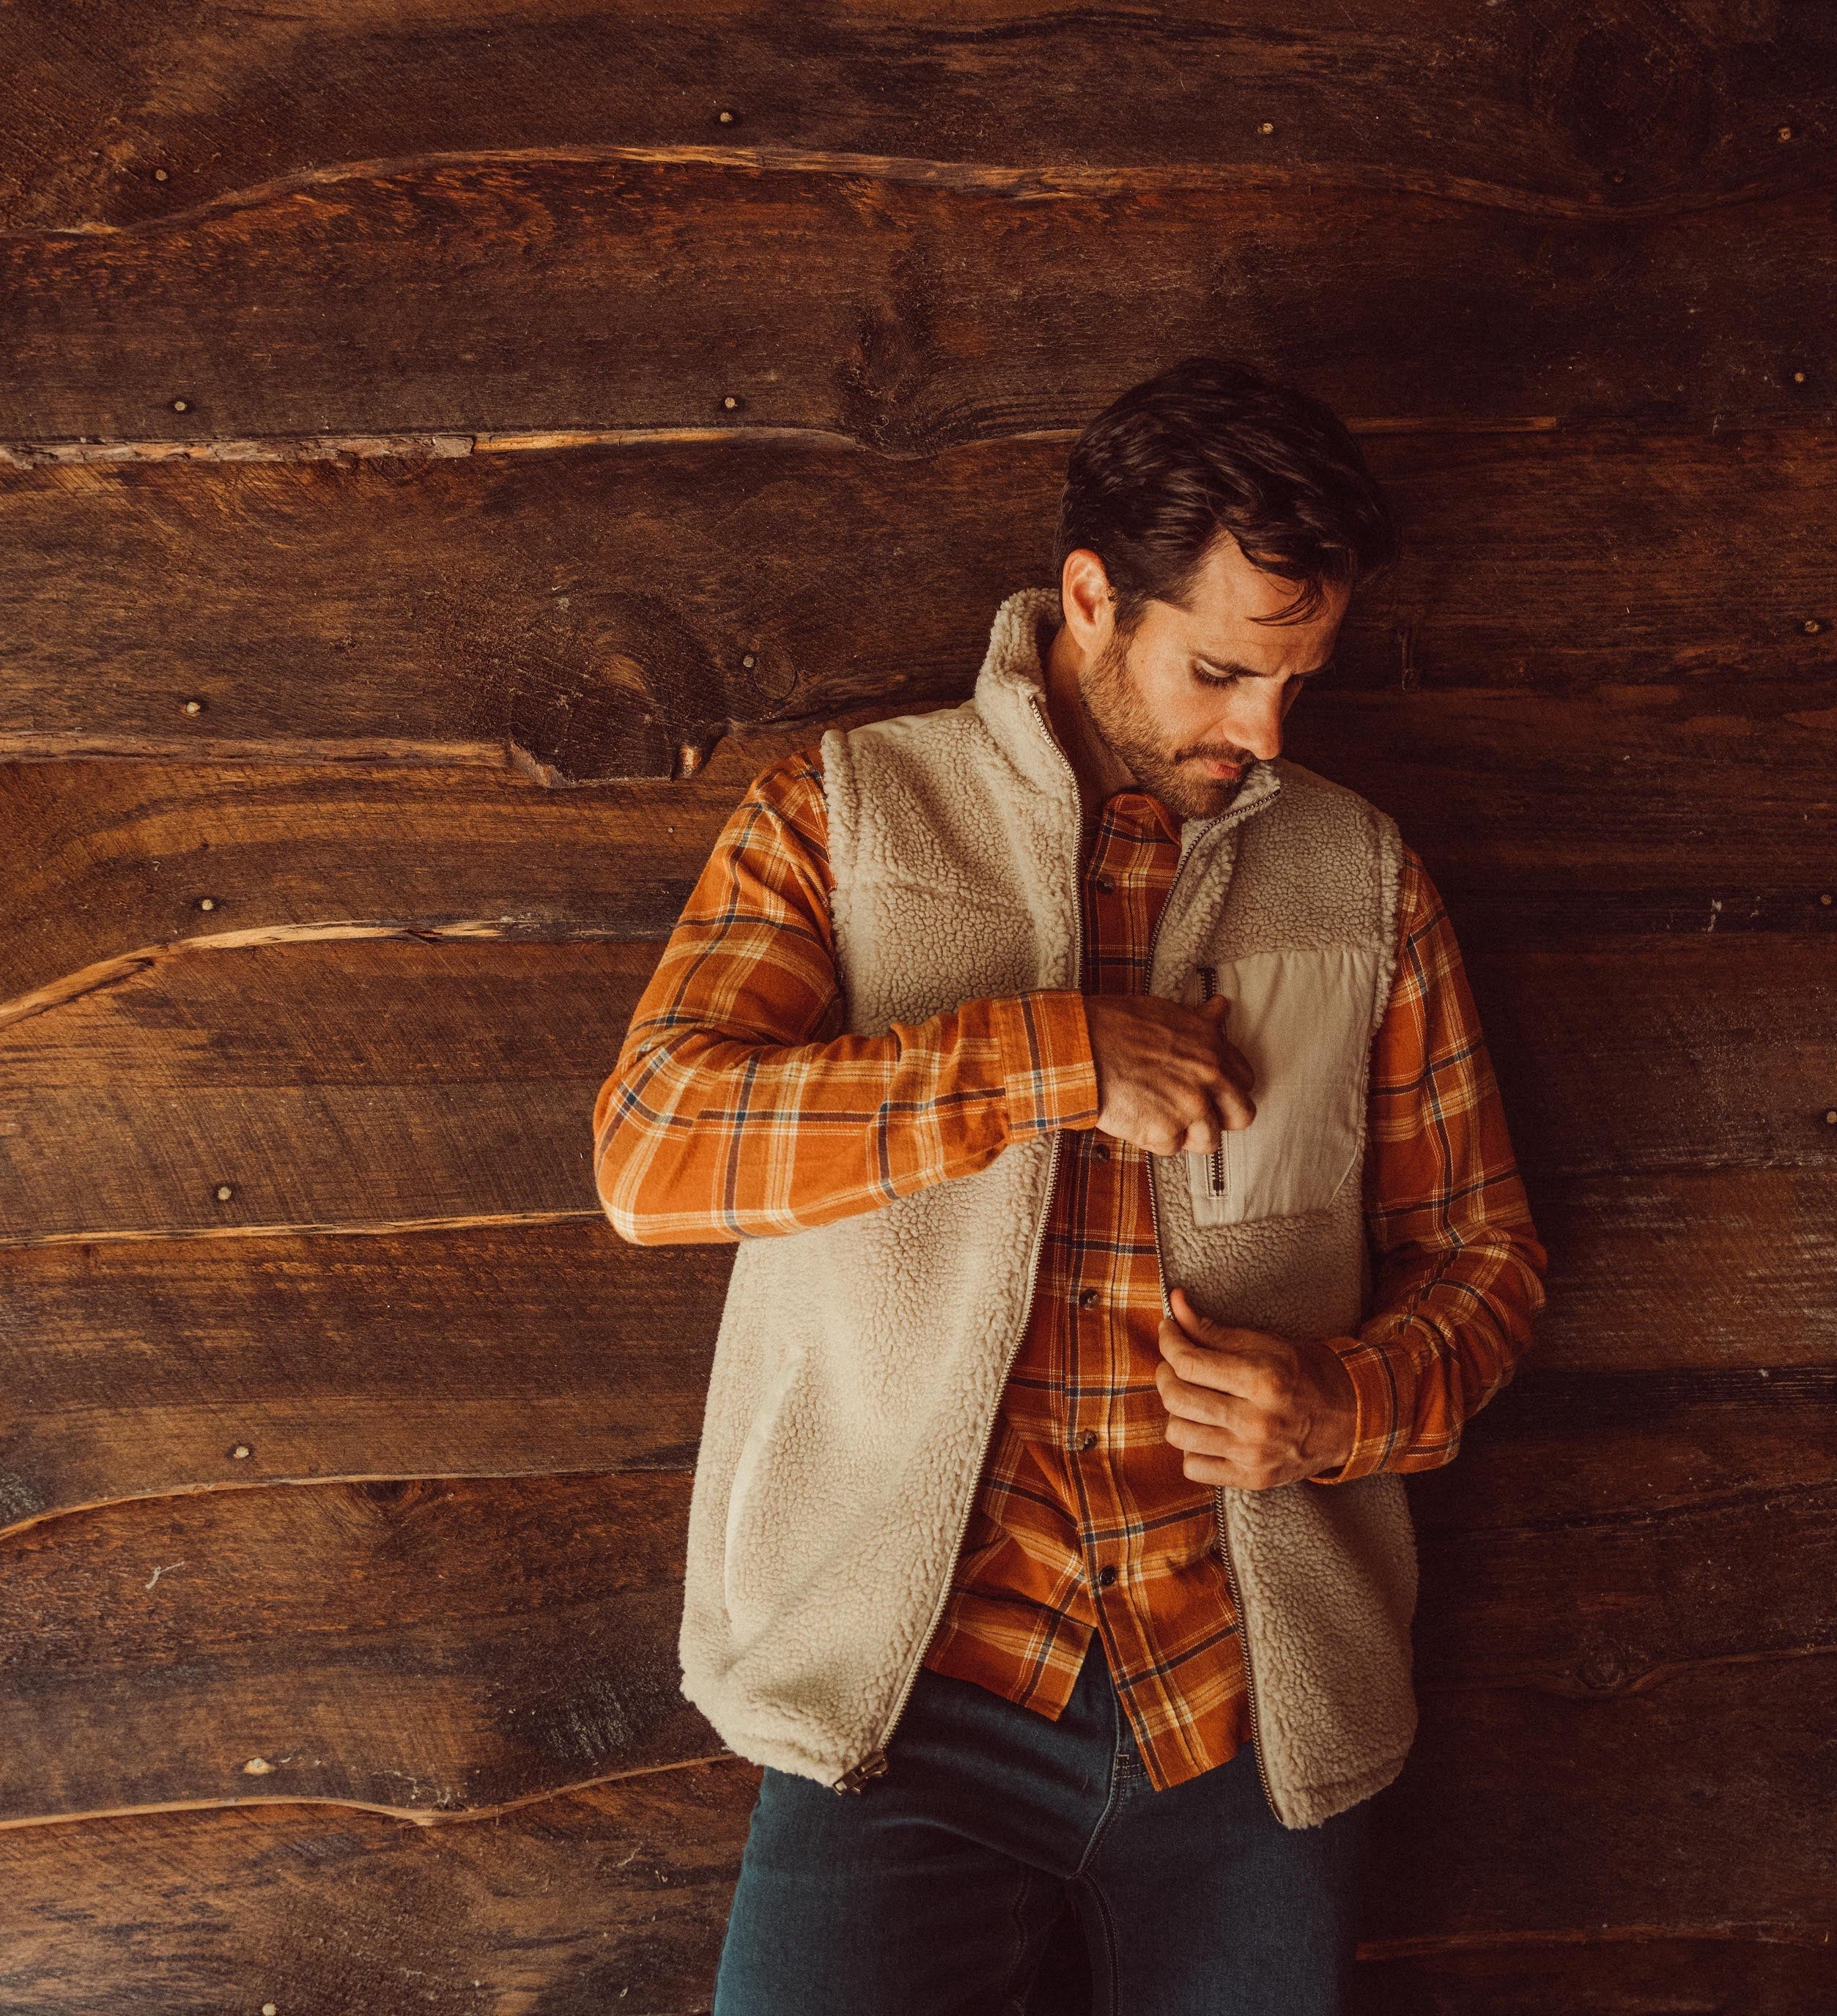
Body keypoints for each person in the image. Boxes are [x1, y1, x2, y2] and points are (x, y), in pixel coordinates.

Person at [591, 355, 1548, 2015]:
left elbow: (1488, 1256)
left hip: (1248, 1717)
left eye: (1298, 685)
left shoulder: (1365, 879)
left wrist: (1341, 1400)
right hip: (906, 1705)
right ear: (1092, 598)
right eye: (1222, 671)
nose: (1260, 736)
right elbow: (656, 1146)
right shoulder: (843, 814)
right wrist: (1050, 1060)